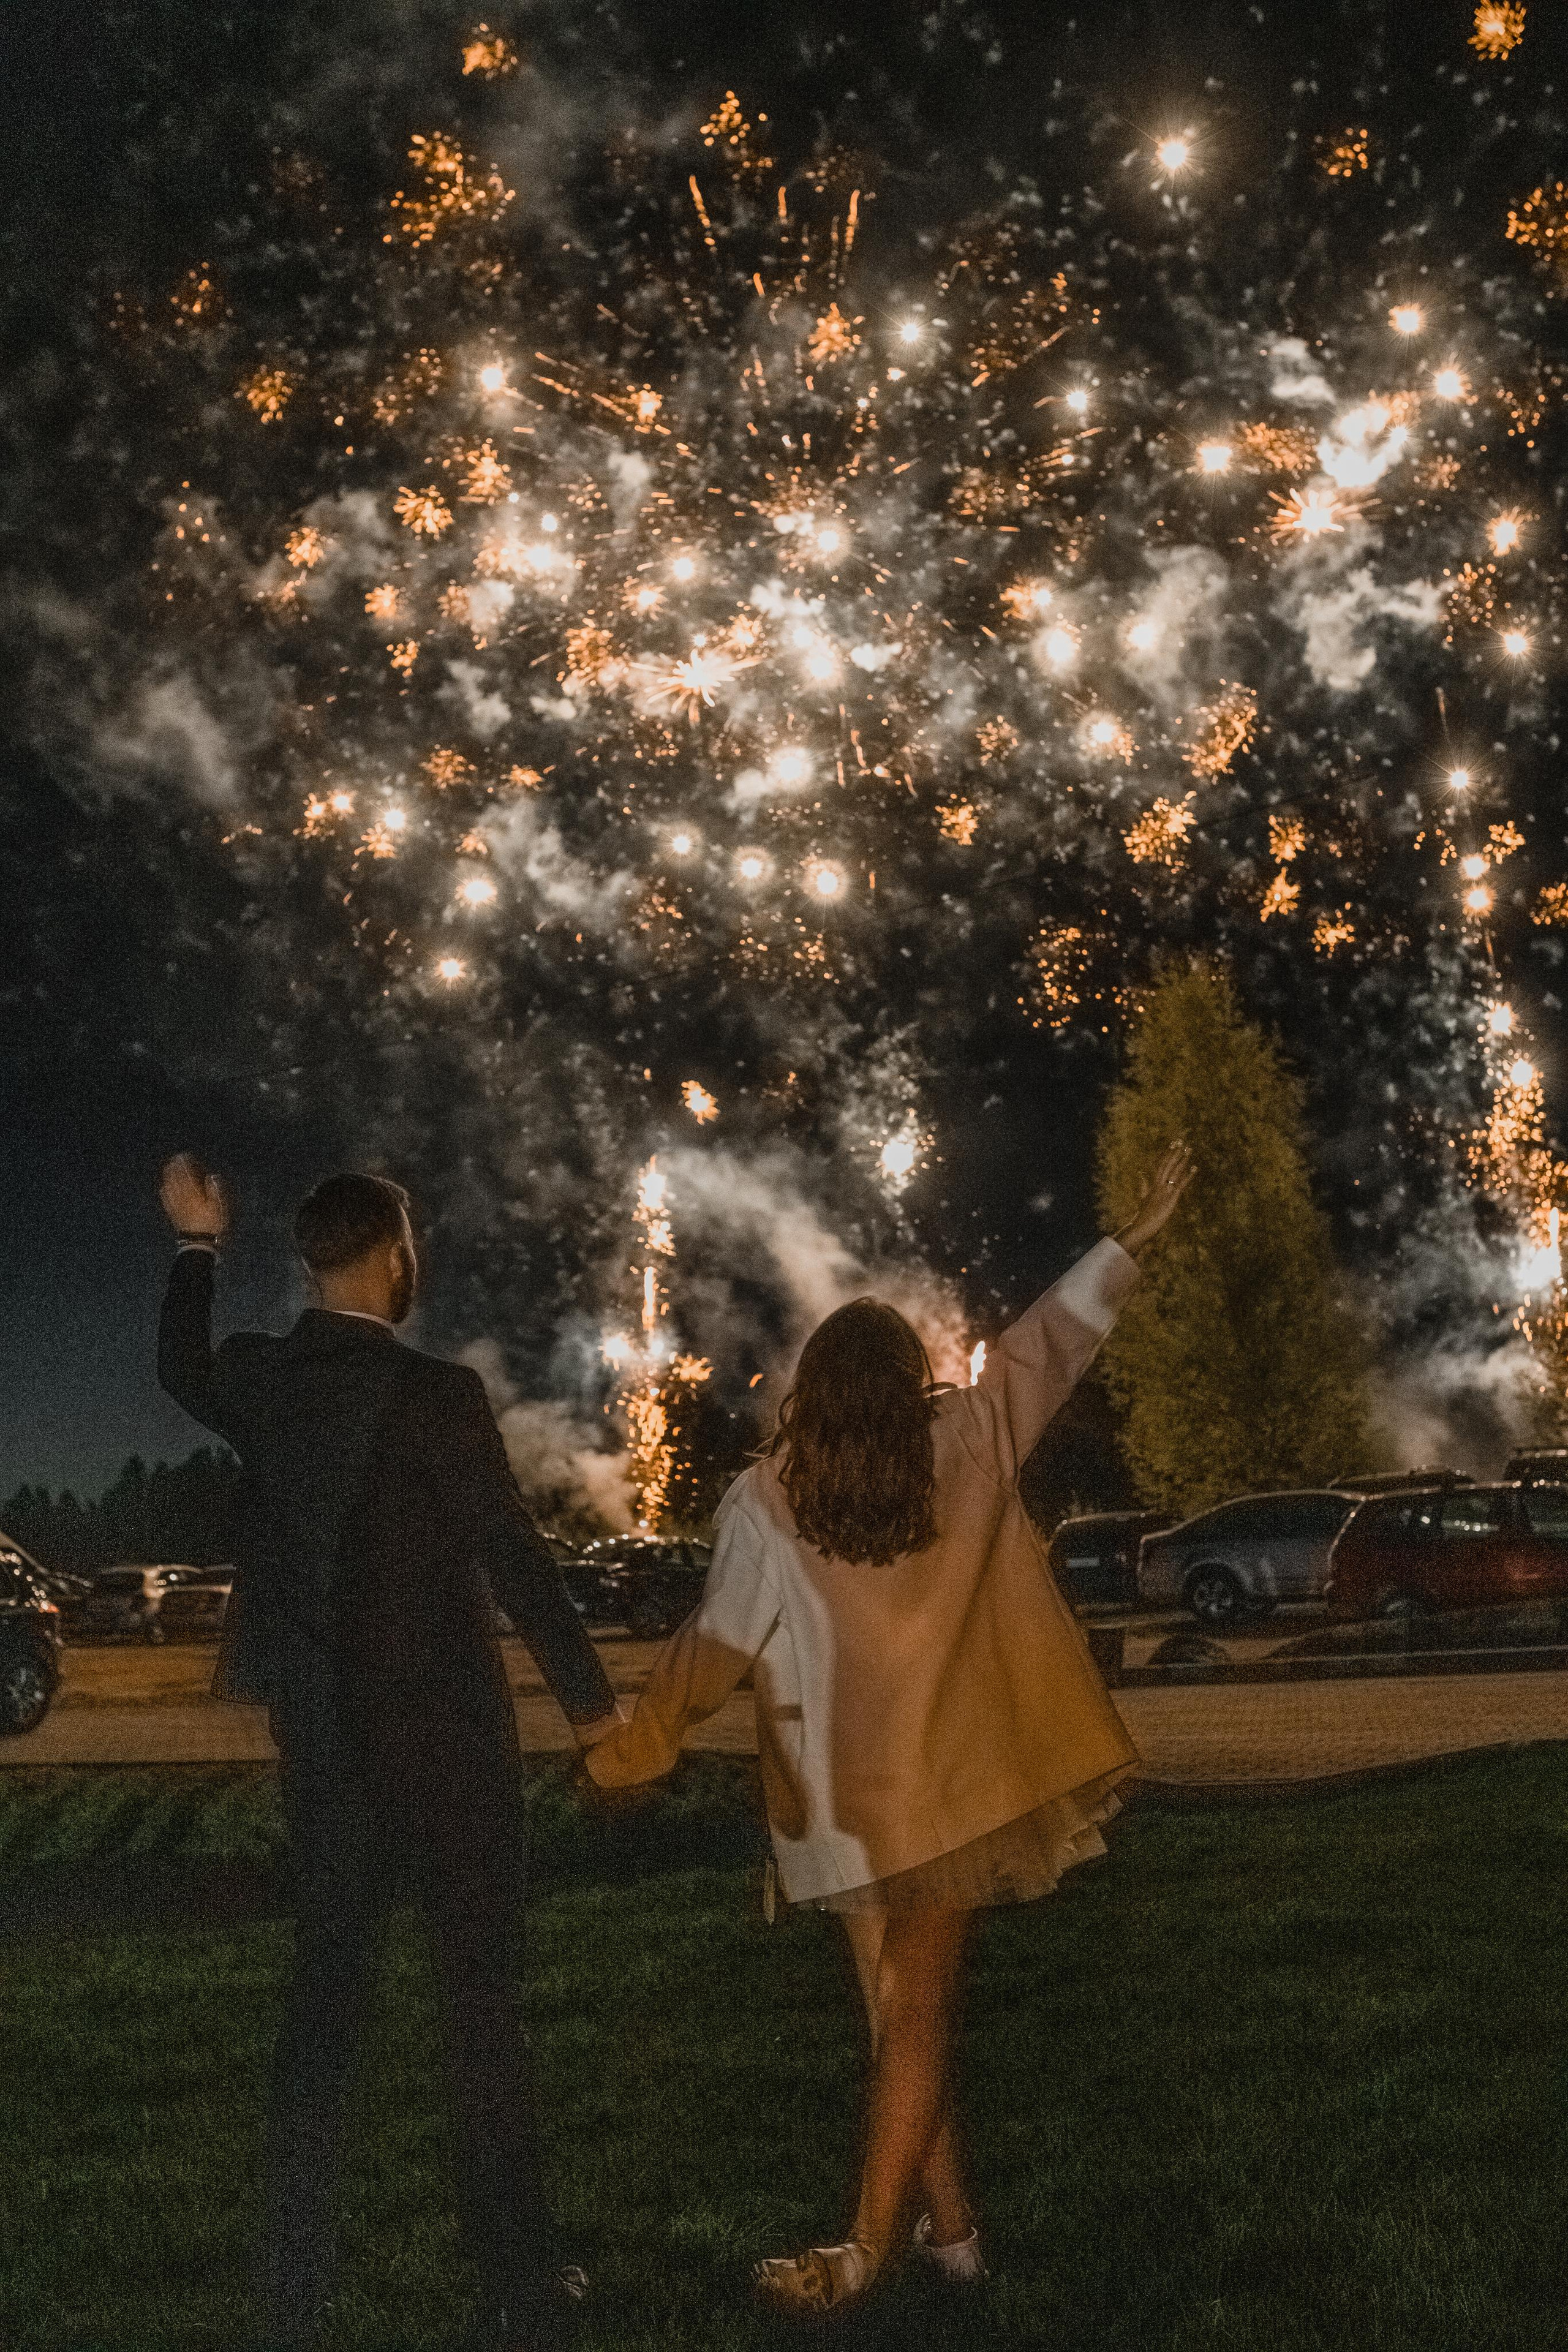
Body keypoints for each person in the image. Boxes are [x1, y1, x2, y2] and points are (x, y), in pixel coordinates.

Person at [584, 1139, 1193, 2315]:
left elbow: (710, 1648)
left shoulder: (767, 1496)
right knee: (912, 2020)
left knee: (897, 2017)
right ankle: (907, 2250)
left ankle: (910, 2249)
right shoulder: (967, 1441)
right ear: (910, 1378)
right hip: (954, 1795)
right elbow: (1050, 1342)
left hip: (840, 1811)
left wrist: (632, 1747)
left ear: (814, 1384)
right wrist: (1136, 1234)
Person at [156, 1155, 625, 2352]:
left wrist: (197, 1244)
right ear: (389, 1255)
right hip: (446, 1750)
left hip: (325, 1750)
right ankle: (517, 2279)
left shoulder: (260, 1381)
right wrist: (592, 1709)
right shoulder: (435, 1397)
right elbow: (513, 1559)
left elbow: (178, 1367)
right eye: (409, 1245)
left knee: (322, 2005)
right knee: (478, 2010)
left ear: (311, 1261)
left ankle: (291, 2281)